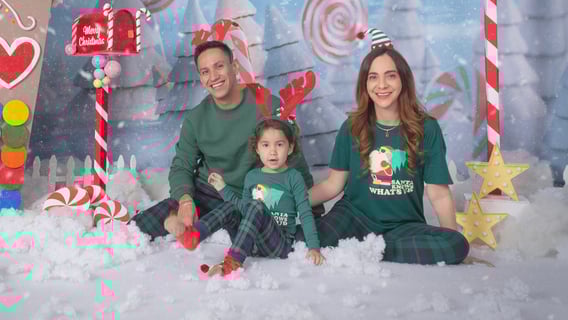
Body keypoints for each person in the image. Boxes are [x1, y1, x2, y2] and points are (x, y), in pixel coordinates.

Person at [129, 40, 321, 243]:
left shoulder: (268, 106)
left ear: (234, 67)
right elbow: (182, 166)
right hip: (207, 194)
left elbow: (293, 158)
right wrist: (185, 200)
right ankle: (175, 219)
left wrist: (311, 208)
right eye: (205, 71)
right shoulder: (196, 119)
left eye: (219, 66)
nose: (213, 77)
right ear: (201, 78)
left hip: (254, 199)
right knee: (135, 229)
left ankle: (206, 228)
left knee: (268, 239)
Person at [304, 29, 469, 265]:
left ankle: (367, 249)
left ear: (403, 79)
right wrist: (293, 202)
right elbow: (332, 185)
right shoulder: (351, 127)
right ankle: (363, 246)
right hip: (353, 218)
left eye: (390, 76)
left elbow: (439, 194)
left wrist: (451, 238)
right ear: (365, 83)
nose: (381, 85)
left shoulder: (427, 129)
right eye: (373, 77)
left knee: (456, 245)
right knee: (299, 239)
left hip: (403, 227)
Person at [176, 118, 325, 277]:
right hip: (250, 240)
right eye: (266, 145)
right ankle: (195, 234)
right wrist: (223, 189)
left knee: (256, 205)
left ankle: (232, 261)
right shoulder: (252, 176)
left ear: (290, 148)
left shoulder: (293, 177)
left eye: (279, 144)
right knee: (234, 206)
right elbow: (243, 209)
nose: (273, 151)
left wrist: (314, 248)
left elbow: (305, 213)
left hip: (278, 243)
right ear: (258, 149)